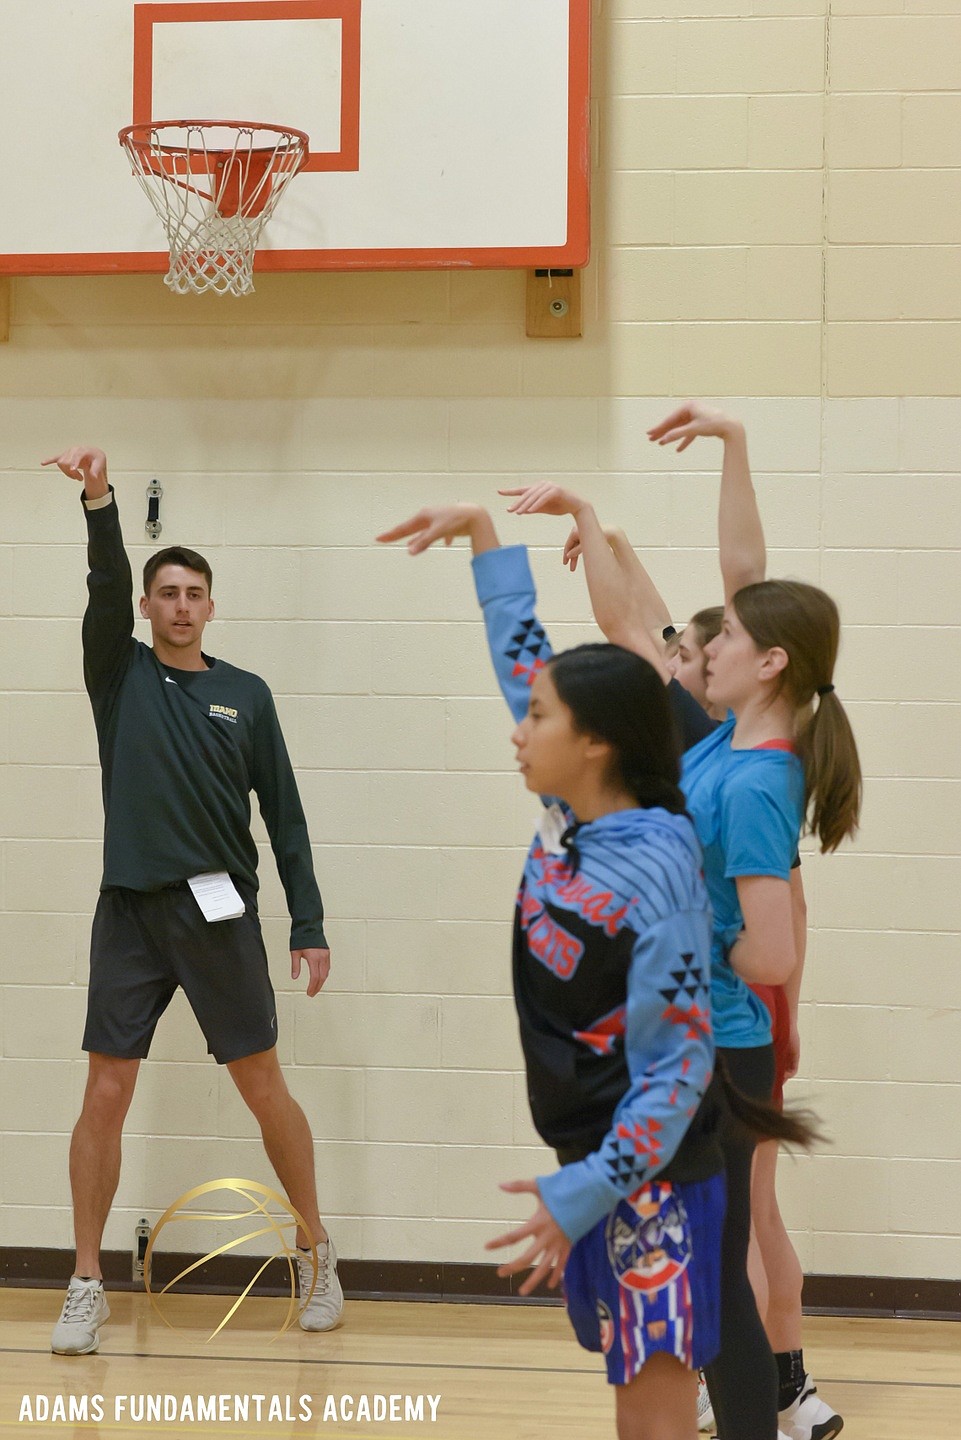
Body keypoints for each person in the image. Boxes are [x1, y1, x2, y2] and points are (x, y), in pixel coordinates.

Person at [377, 505, 814, 1440]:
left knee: (652, 1419)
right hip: (600, 1162)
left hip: (650, 1177)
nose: (517, 728)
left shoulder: (655, 867)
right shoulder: (569, 812)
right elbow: (523, 661)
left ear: (595, 745)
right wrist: (486, 538)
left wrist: (580, 1193)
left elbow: (676, 1074)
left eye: (538, 718)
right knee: (632, 1412)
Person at [500, 403, 859, 1440]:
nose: (703, 637)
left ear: (767, 663)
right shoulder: (716, 733)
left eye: (726, 635)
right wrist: (614, 508)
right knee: (720, 1261)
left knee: (723, 1272)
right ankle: (767, 1401)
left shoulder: (749, 780)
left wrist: (673, 944)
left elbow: (774, 951)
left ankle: (767, 1405)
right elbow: (645, 626)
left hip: (728, 1037)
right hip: (712, 1037)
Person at [41, 445, 344, 1355]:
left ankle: (317, 1250)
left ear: (209, 606)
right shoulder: (118, 675)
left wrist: (311, 923)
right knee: (104, 1090)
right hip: (130, 913)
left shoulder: (246, 697)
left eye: (192, 595)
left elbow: (285, 820)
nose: (178, 606)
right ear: (147, 605)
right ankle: (87, 1279)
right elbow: (102, 583)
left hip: (220, 918)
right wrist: (100, 502)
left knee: (264, 1088)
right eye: (164, 593)